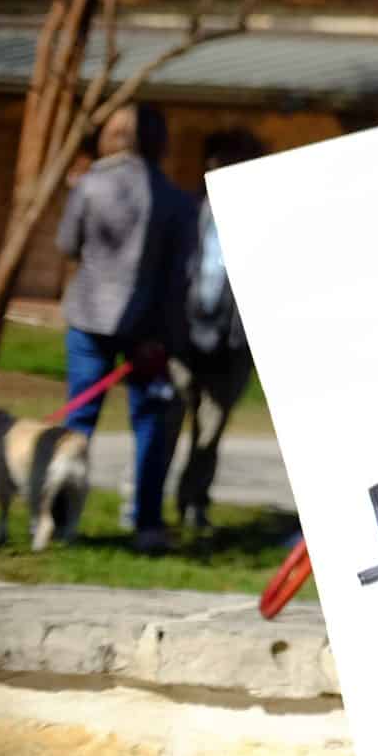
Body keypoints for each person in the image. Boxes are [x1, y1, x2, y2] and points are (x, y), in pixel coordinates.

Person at [55, 103, 198, 554]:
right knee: (151, 428)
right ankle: (147, 525)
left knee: (77, 423)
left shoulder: (90, 185)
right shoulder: (176, 200)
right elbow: (180, 278)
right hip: (148, 332)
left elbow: (66, 244)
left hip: (89, 317)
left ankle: (59, 522)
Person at [171, 128, 262, 534]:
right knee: (169, 420)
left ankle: (193, 501)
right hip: (185, 335)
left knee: (211, 426)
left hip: (232, 342)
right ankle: (146, 506)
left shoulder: (260, 223)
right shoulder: (186, 213)